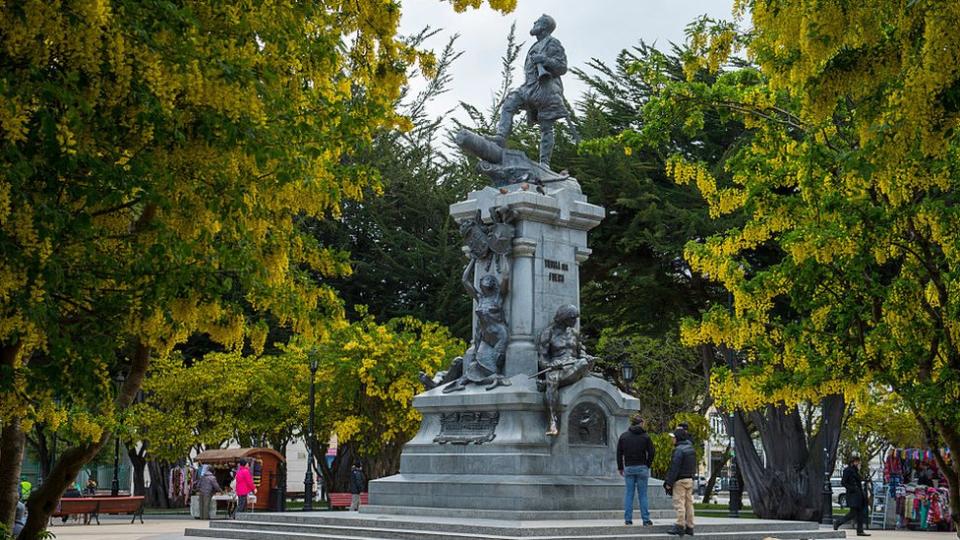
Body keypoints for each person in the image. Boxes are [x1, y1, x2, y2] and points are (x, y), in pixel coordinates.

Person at [492, 14, 568, 167]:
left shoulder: (553, 43)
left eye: (537, 21)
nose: (534, 22)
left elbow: (562, 67)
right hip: (529, 86)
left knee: (546, 127)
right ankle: (501, 137)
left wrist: (545, 60)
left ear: (544, 26)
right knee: (509, 103)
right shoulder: (534, 46)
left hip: (545, 88)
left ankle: (544, 163)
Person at [536, 304, 594, 436]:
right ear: (564, 318)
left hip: (576, 366)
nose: (575, 321)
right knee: (552, 378)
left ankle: (545, 384)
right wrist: (551, 364)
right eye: (572, 318)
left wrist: (587, 357)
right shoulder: (548, 333)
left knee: (584, 362)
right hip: (559, 369)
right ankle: (552, 421)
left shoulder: (574, 333)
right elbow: (542, 360)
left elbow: (582, 353)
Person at [617, 414, 655, 526]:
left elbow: (619, 453)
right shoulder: (645, 437)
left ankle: (628, 520)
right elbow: (652, 452)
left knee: (629, 494)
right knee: (643, 495)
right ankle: (646, 519)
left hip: (629, 468)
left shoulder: (624, 436)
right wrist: (647, 464)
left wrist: (620, 467)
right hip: (642, 467)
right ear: (641, 423)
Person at [664, 430, 697, 536]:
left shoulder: (678, 450)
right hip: (689, 479)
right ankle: (690, 526)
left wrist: (669, 482)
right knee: (689, 504)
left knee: (679, 504)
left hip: (680, 481)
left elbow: (674, 468)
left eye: (673, 437)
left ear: (677, 438)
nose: (672, 439)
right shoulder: (691, 449)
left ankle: (680, 525)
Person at [834, 455, 870, 536]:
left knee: (860, 513)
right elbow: (843, 482)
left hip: (859, 495)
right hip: (853, 495)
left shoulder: (856, 471)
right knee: (853, 513)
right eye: (857, 462)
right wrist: (852, 489)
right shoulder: (847, 470)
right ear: (853, 462)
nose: (858, 463)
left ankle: (860, 530)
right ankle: (838, 522)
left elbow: (859, 482)